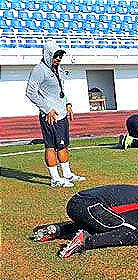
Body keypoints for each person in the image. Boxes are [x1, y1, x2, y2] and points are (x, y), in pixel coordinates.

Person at [30, 185, 138, 259]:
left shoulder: (137, 204)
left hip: (77, 203)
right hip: (92, 205)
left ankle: (57, 230)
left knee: (110, 226)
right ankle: (85, 242)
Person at [25, 40, 85, 188]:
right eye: (55, 55)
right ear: (48, 54)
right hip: (50, 116)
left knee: (63, 145)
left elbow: (60, 90)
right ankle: (55, 179)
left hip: (62, 114)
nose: (58, 58)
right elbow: (30, 92)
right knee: (51, 146)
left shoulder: (57, 69)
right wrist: (47, 109)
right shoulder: (39, 70)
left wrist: (68, 103)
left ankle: (67, 174)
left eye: (60, 56)